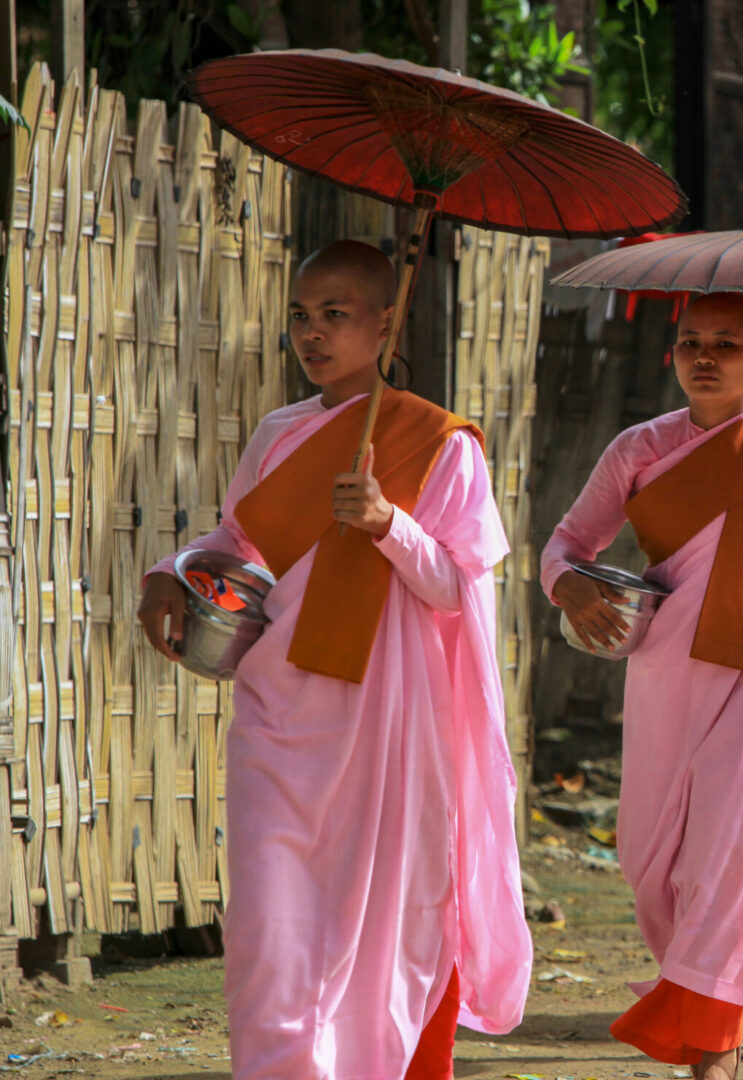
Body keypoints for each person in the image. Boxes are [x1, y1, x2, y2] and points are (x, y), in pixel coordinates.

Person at [137, 241, 531, 1079]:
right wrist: (168, 574)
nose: (311, 334)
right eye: (300, 317)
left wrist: (391, 524)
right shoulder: (282, 433)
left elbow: (460, 591)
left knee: (380, 927)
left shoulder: (441, 444)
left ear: (386, 321)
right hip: (280, 715)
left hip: (386, 733)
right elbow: (235, 543)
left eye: (335, 315)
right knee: (268, 935)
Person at [540, 293, 743, 1080]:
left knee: (736, 856)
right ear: (672, 353)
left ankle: (714, 1050)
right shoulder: (638, 449)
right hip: (664, 677)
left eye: (727, 344)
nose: (706, 357)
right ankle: (701, 1007)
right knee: (656, 863)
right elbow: (565, 544)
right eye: (691, 342)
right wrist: (567, 588)